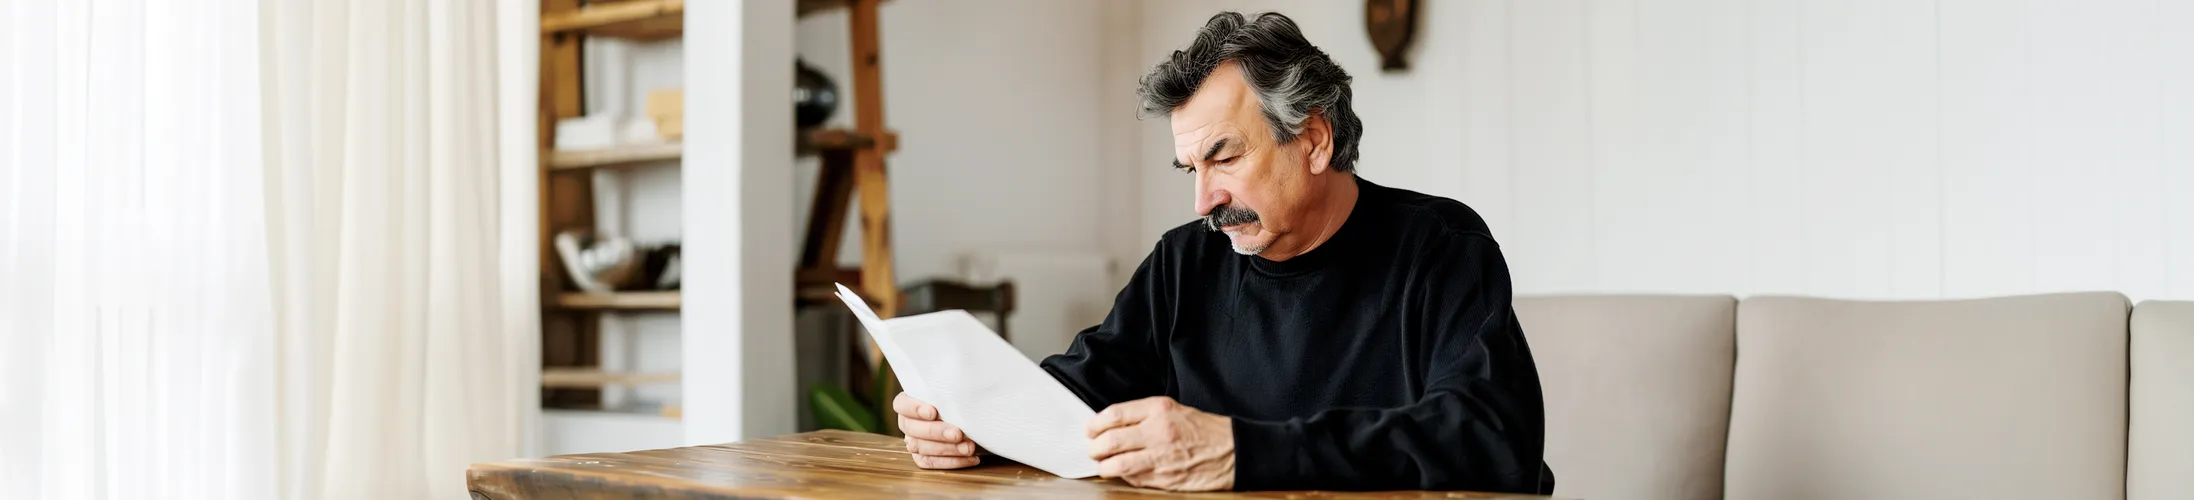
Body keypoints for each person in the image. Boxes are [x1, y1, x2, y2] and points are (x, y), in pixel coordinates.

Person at [890, 11, 1554, 494]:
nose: (1204, 202)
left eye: (1225, 158)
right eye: (1190, 171)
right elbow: (1078, 392)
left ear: (1314, 140)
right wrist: (972, 420)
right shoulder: (1185, 263)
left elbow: (1490, 439)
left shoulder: (1440, 248)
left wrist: (1244, 451)